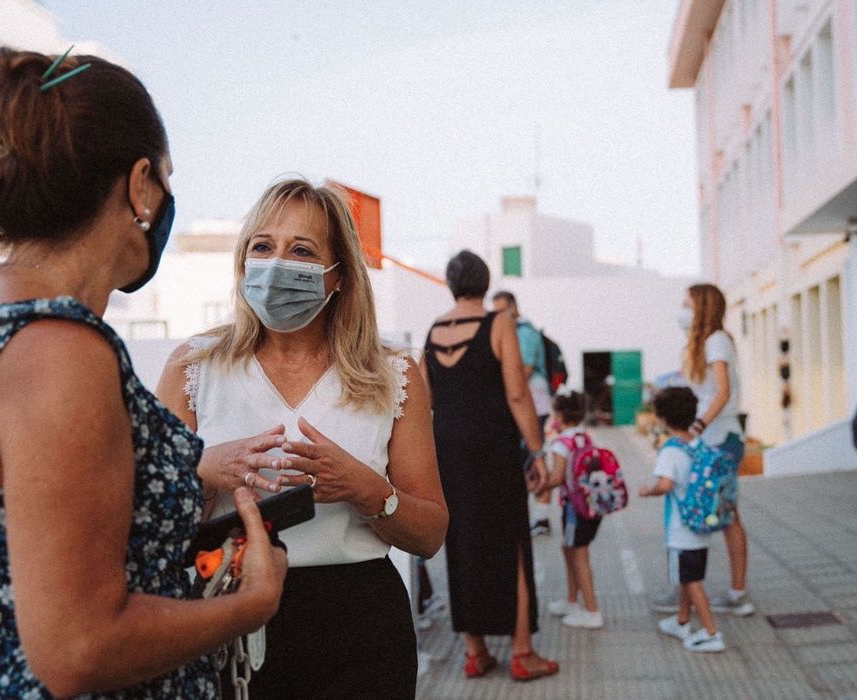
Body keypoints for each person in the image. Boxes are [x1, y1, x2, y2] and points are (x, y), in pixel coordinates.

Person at [0, 47, 287, 699]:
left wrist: (4, 685)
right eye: (166, 179)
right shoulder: (62, 351)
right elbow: (80, 648)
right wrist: (249, 604)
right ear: (140, 185)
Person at [156, 178, 448, 698]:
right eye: (262, 246)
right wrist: (204, 468)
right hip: (228, 614)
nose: (276, 265)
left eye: (302, 251)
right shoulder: (193, 368)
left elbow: (429, 535)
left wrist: (364, 489)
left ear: (339, 276)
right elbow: (151, 528)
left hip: (361, 627)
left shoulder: (393, 374)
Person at [421, 251, 559, 682]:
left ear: (450, 284)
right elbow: (517, 394)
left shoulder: (434, 330)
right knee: (511, 542)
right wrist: (537, 452)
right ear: (485, 282)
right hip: (493, 449)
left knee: (462, 542)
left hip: (448, 450)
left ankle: (475, 652)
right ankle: (522, 652)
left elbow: (426, 399)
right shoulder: (499, 323)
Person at [653, 284, 752, 617]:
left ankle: (737, 594)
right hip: (706, 439)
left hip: (720, 439)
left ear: (703, 308)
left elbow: (722, 392)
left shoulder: (716, 341)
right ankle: (685, 586)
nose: (682, 311)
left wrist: (696, 427)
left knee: (726, 515)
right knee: (693, 512)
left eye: (687, 304)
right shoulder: (700, 345)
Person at [639, 387, 725, 653]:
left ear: (663, 419)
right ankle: (682, 621)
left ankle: (711, 633)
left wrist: (649, 491)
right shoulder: (697, 444)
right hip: (701, 525)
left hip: (681, 530)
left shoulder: (671, 450)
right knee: (690, 577)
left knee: (691, 581)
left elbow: (665, 485)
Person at [492, 290, 554, 536]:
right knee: (527, 460)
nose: (497, 316)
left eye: (501, 311)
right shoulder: (513, 330)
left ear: (513, 307)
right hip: (528, 402)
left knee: (533, 459)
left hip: (533, 403)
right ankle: (535, 516)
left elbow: (524, 370)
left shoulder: (524, 332)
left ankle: (541, 517)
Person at [543, 391, 604, 630]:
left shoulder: (561, 443)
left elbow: (557, 478)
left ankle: (592, 611)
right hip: (591, 504)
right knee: (569, 548)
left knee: (579, 554)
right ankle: (571, 601)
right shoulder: (585, 438)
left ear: (559, 416)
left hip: (574, 508)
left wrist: (538, 485)